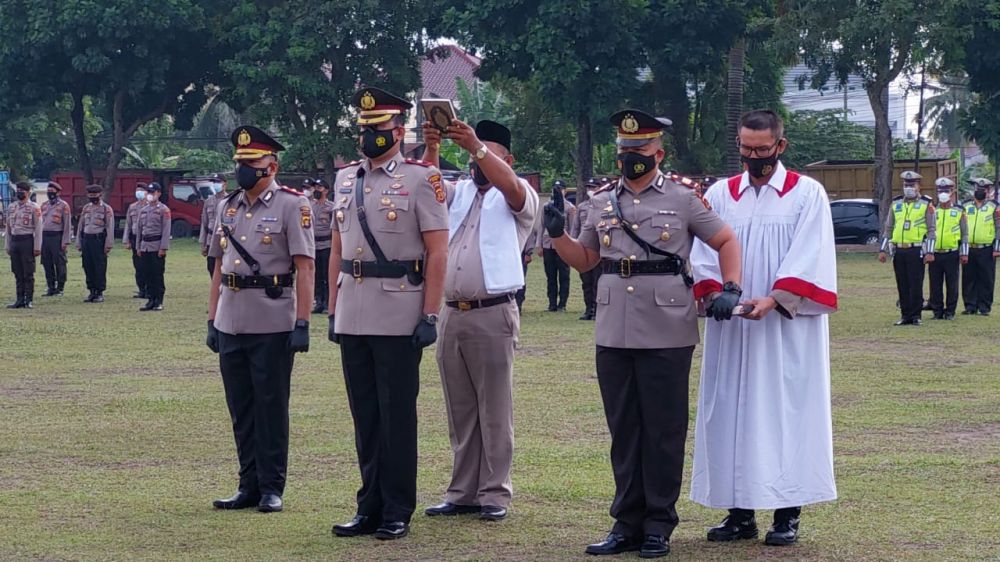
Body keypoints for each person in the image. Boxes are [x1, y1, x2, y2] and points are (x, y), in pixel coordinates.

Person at [544, 109, 742, 558]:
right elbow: (587, 260)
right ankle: (625, 523)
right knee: (624, 429)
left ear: (658, 153)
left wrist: (731, 287)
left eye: (640, 150)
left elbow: (727, 240)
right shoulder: (600, 202)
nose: (631, 157)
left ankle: (658, 524)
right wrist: (558, 236)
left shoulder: (683, 198)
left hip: (668, 329)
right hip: (613, 329)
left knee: (663, 430)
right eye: (625, 150)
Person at [689, 109, 838, 548]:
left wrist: (775, 299)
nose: (754, 157)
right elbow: (702, 247)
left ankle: (787, 513)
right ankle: (739, 513)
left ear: (780, 146)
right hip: (733, 326)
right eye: (746, 149)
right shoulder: (721, 194)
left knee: (785, 410)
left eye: (762, 149)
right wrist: (716, 292)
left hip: (784, 328)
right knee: (733, 411)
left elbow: (810, 253)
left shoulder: (806, 194)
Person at [328, 87, 449, 541]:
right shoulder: (345, 179)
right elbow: (338, 248)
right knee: (365, 413)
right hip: (355, 307)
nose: (368, 137)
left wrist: (430, 314)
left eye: (377, 130)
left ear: (399, 131)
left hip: (400, 308)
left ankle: (397, 507)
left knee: (397, 413)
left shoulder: (422, 178)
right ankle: (369, 505)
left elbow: (438, 251)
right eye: (364, 130)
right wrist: (333, 309)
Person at [420, 118, 539, 522]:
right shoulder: (462, 192)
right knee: (460, 408)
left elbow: (511, 187)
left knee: (494, 407)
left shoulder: (516, 195)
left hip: (493, 311)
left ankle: (495, 492)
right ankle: (462, 490)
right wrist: (433, 146)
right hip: (452, 312)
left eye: (486, 153)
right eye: (473, 153)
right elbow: (428, 186)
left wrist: (477, 148)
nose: (476, 160)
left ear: (507, 158)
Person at [207, 125, 315, 514]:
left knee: (270, 406)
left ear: (272, 165)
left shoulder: (292, 204)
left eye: (251, 163)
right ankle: (247, 484)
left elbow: (305, 268)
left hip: (272, 321)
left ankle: (272, 486)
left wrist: (302, 322)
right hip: (231, 318)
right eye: (240, 163)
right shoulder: (227, 206)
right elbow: (218, 267)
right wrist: (211, 318)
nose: (244, 169)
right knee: (241, 408)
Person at [878, 171, 935, 325]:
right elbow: (888, 228)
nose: (908, 188)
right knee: (902, 283)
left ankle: (916, 316)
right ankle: (905, 315)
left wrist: (929, 251)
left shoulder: (926, 204)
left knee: (915, 283)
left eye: (912, 185)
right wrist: (882, 250)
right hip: (899, 250)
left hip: (916, 249)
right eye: (905, 185)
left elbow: (931, 230)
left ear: (918, 186)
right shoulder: (896, 204)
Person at [928, 178, 967, 320]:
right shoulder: (932, 210)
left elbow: (964, 234)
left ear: (952, 192)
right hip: (935, 253)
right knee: (935, 284)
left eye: (946, 191)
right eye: (940, 191)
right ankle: (937, 311)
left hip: (952, 253)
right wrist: (927, 251)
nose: (943, 193)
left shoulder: (959, 211)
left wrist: (964, 253)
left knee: (952, 284)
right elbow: (926, 233)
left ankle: (950, 311)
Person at [960, 177, 1000, 316]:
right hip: (969, 248)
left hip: (987, 248)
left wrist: (997, 248)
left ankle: (984, 307)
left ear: (988, 191)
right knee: (968, 278)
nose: (980, 192)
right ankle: (970, 306)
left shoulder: (994, 207)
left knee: (986, 278)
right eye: (978, 189)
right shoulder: (965, 206)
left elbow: (998, 227)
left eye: (983, 190)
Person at [536, 179, 575, 311]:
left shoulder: (569, 207)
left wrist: (572, 246)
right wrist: (539, 244)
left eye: (560, 189)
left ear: (565, 191)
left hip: (563, 244)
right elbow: (541, 226)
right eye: (555, 189)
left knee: (564, 275)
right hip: (548, 244)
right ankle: (552, 303)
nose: (558, 191)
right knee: (550, 275)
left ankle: (562, 303)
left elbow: (572, 228)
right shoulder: (546, 206)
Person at [5, 182, 42, 309]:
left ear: (28, 192)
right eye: (18, 190)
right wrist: (8, 245)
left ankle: (28, 299)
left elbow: (38, 228)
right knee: (17, 271)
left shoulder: (34, 207)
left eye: (23, 191)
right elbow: (8, 228)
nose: (20, 192)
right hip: (15, 241)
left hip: (27, 240)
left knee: (28, 272)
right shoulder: (11, 207)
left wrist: (37, 247)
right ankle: (19, 299)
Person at [135, 182, 171, 311]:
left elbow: (166, 230)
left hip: (156, 246)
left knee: (157, 274)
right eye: (149, 193)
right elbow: (139, 230)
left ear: (159, 193)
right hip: (145, 246)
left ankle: (159, 300)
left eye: (153, 192)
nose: (151, 195)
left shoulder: (163, 210)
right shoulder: (143, 210)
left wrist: (163, 248)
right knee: (146, 274)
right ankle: (150, 300)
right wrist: (138, 247)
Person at [76, 184, 114, 303]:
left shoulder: (106, 209)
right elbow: (80, 226)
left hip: (98, 240)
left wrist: (108, 244)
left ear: (100, 195)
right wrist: (78, 241)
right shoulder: (86, 208)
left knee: (99, 266)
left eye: (94, 195)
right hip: (87, 239)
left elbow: (109, 227)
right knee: (87, 265)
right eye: (90, 195)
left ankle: (99, 292)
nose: (92, 197)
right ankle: (91, 291)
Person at [570, 180, 599, 320]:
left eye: (593, 187)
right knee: (586, 281)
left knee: (597, 281)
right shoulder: (582, 207)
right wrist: (573, 244)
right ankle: (589, 309)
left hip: (599, 248)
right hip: (584, 246)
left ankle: (598, 309)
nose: (591, 190)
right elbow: (576, 227)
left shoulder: (605, 205)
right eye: (589, 187)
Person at [39, 181, 72, 297]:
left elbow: (67, 225)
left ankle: (60, 288)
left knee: (60, 263)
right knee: (46, 263)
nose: (50, 194)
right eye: (48, 192)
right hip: (45, 237)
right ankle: (51, 287)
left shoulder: (63, 206)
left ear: (58, 192)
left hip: (57, 236)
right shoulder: (44, 205)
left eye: (52, 192)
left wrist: (65, 241)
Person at [310, 178, 335, 314]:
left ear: (326, 190)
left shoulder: (331, 207)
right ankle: (318, 302)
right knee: (316, 275)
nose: (316, 190)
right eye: (315, 188)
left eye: (319, 188)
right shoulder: (309, 206)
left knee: (327, 275)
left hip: (327, 244)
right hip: (313, 245)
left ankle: (327, 303)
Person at [124, 184, 149, 298]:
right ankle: (141, 289)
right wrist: (127, 241)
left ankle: (149, 289)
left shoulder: (151, 206)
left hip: (147, 239)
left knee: (148, 265)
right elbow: (128, 225)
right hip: (135, 239)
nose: (138, 192)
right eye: (137, 190)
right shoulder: (132, 207)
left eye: (141, 190)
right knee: (138, 266)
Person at [201, 180, 228, 277]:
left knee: (225, 266)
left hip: (225, 239)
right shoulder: (208, 201)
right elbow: (204, 223)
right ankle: (215, 289)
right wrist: (203, 243)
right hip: (210, 239)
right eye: (215, 182)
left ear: (225, 184)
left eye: (219, 182)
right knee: (211, 266)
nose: (217, 185)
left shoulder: (230, 200)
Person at [515, 229, 536, 313]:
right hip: (508, 252)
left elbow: (530, 234)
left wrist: (528, 252)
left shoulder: (522, 218)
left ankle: (518, 304)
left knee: (520, 279)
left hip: (521, 253)